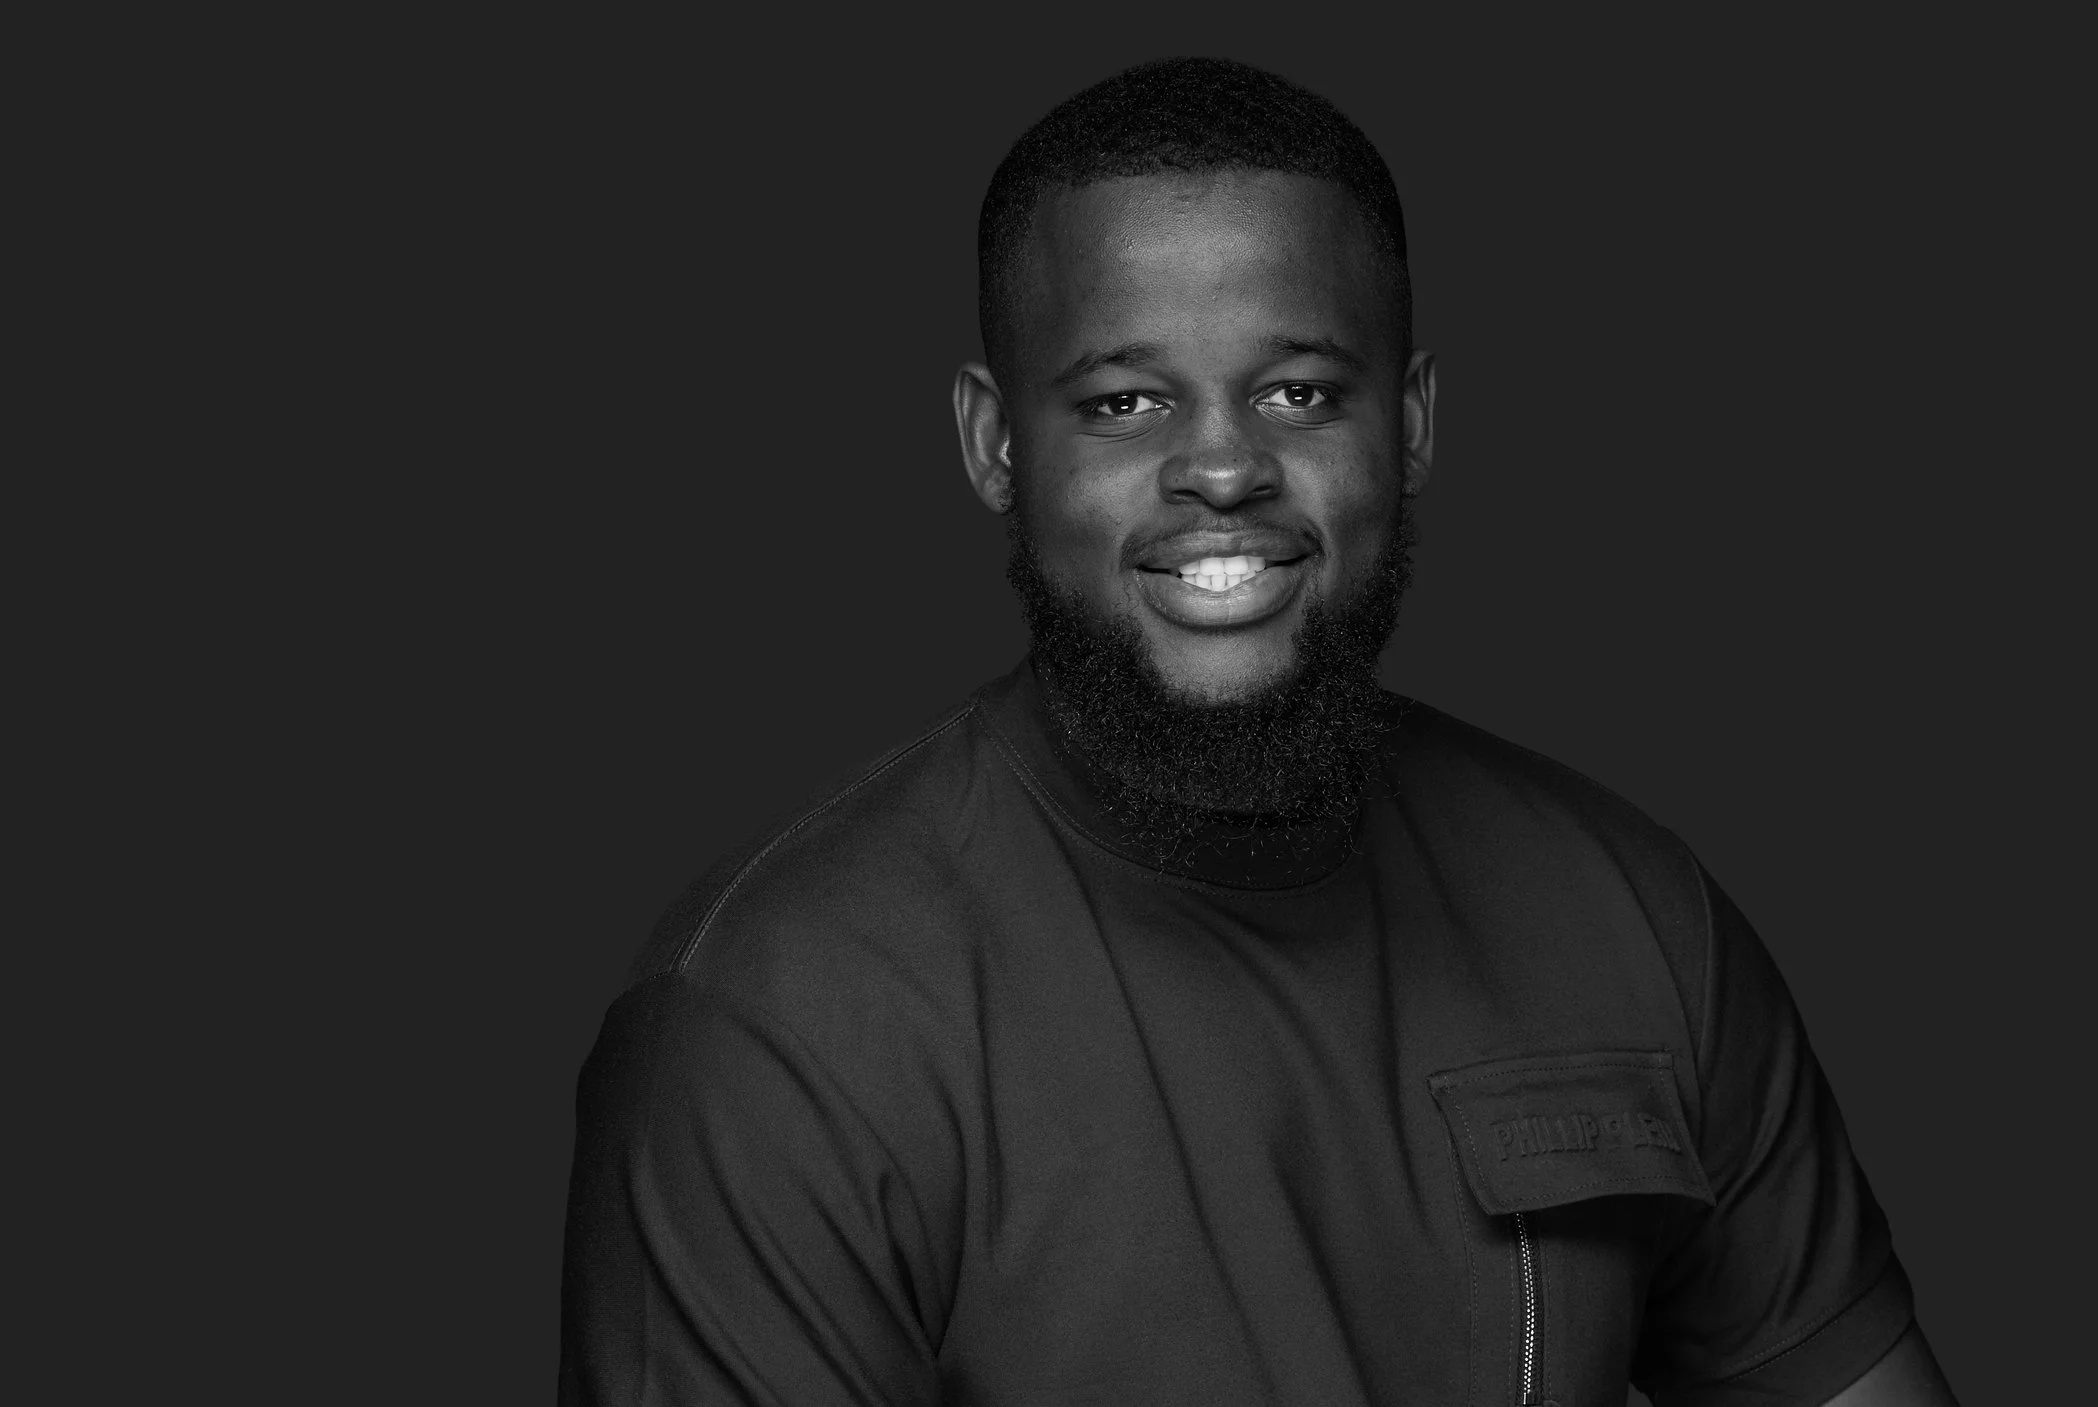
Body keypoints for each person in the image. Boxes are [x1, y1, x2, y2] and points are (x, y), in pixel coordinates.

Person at [560, 56, 1957, 1406]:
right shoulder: (778, 1022)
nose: (1222, 466)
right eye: (1123, 402)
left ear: (1409, 423)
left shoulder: (1635, 916)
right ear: (996, 447)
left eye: (1298, 391)